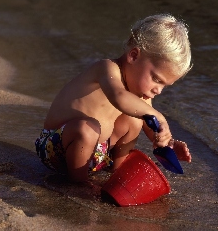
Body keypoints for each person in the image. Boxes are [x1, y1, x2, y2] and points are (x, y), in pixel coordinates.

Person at [35, 14, 192, 182]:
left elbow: (149, 124)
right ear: (133, 56)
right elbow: (119, 97)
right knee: (87, 128)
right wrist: (159, 117)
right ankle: (79, 184)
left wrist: (166, 142)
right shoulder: (107, 69)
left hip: (98, 155)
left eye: (164, 86)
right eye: (156, 79)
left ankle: (117, 173)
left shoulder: (141, 93)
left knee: (135, 120)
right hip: (56, 148)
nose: (158, 90)